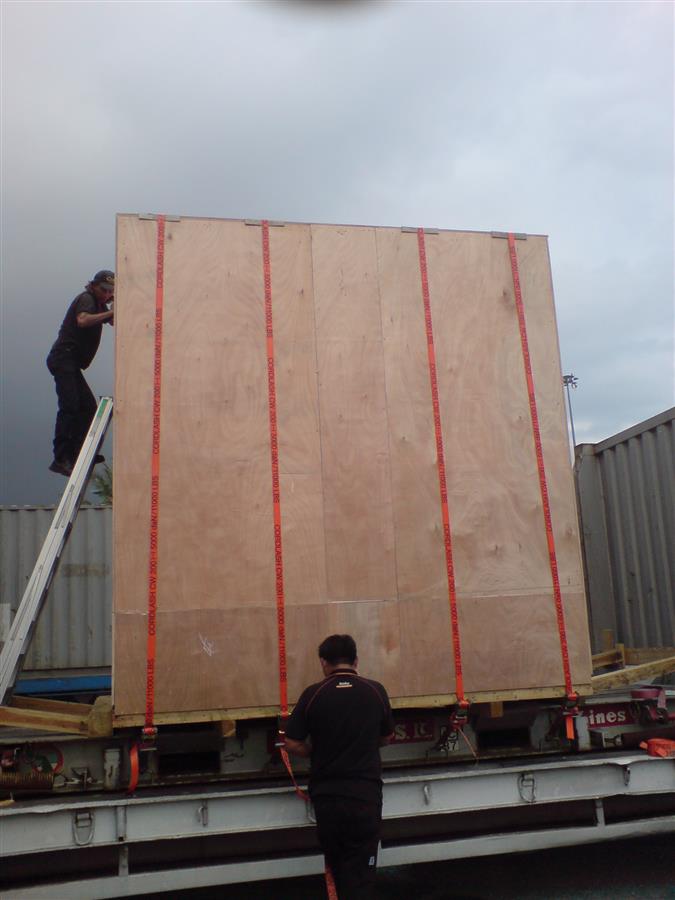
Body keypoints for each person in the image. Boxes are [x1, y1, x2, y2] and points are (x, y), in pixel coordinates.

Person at [285, 634, 394, 899]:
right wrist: (365, 745)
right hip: (364, 797)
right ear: (356, 660)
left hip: (328, 798)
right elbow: (387, 736)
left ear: (324, 662)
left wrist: (315, 751)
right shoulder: (375, 691)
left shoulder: (313, 694)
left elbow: (291, 742)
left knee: (337, 868)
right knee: (361, 874)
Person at [46, 270, 115, 476]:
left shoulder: (100, 304)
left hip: (72, 363)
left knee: (89, 408)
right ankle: (61, 459)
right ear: (93, 286)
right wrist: (111, 312)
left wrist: (118, 306)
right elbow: (83, 320)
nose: (106, 294)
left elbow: (113, 321)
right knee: (70, 406)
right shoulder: (87, 299)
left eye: (110, 291)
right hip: (63, 357)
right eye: (104, 290)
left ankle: (79, 453)